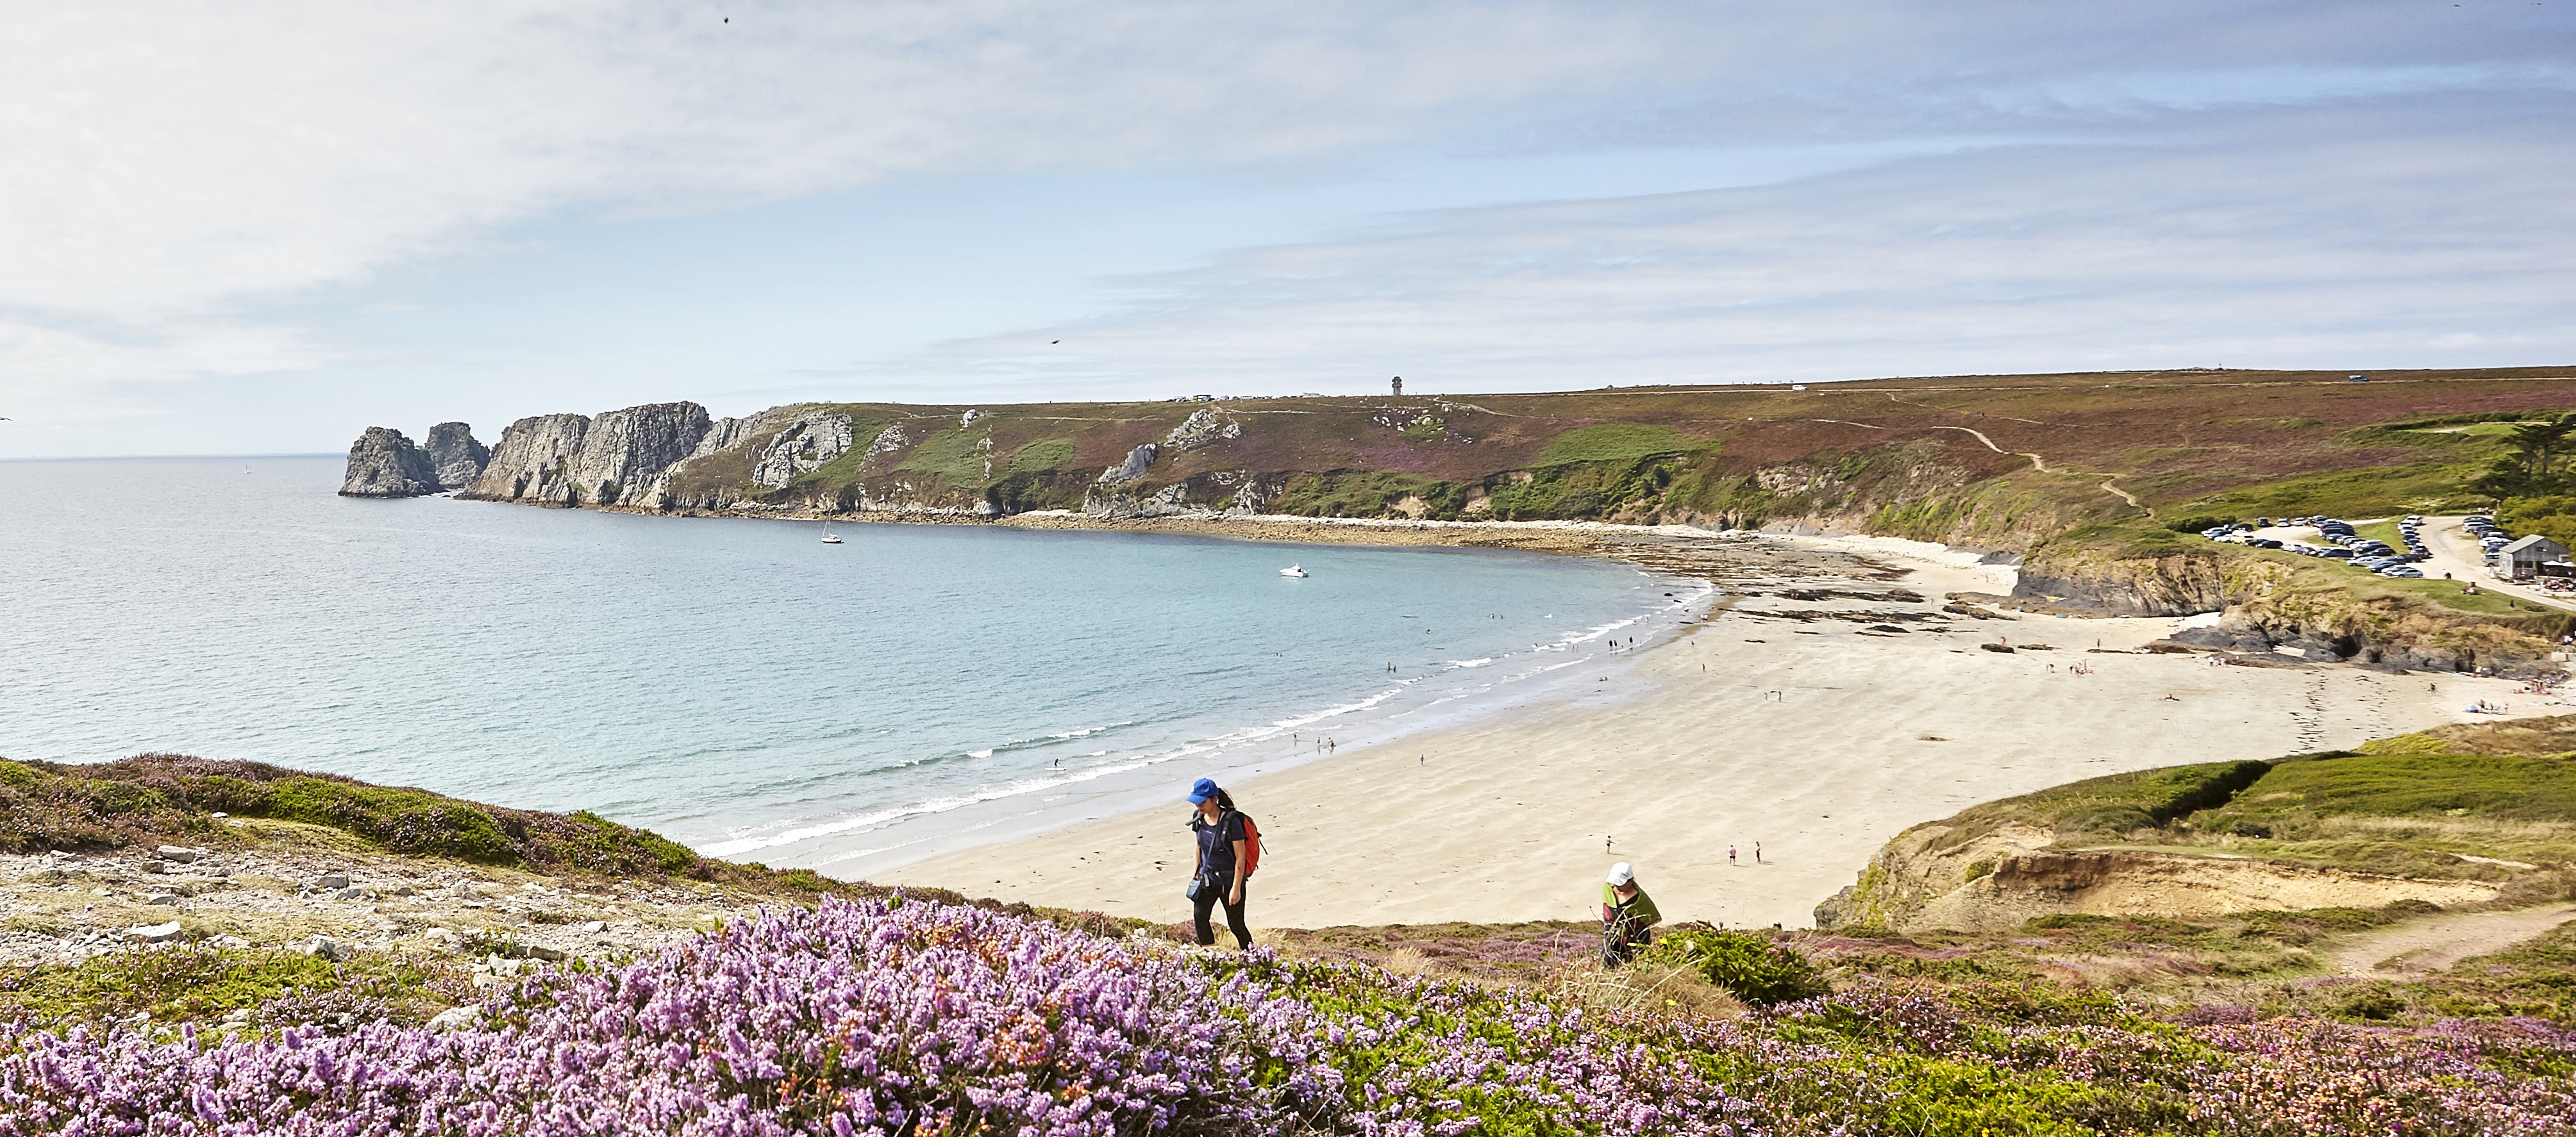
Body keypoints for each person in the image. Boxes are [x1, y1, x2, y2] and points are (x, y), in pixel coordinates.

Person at [1185, 777, 1254, 950]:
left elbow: (1240, 858)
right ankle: (1210, 953)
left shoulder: (1232, 823)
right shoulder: (1198, 818)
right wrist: (1197, 874)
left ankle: (1255, 957)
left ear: (1214, 799)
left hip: (1230, 881)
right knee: (1200, 918)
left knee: (1236, 925)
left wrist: (1236, 888)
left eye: (1202, 801)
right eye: (1196, 802)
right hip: (1208, 879)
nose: (1198, 806)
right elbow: (1199, 846)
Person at [1600, 862, 1662, 967]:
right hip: (1612, 931)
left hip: (1636, 934)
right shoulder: (1608, 890)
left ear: (1630, 881)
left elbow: (1647, 918)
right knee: (1608, 956)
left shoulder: (1640, 900)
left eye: (1620, 884)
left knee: (1637, 959)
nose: (1617, 886)